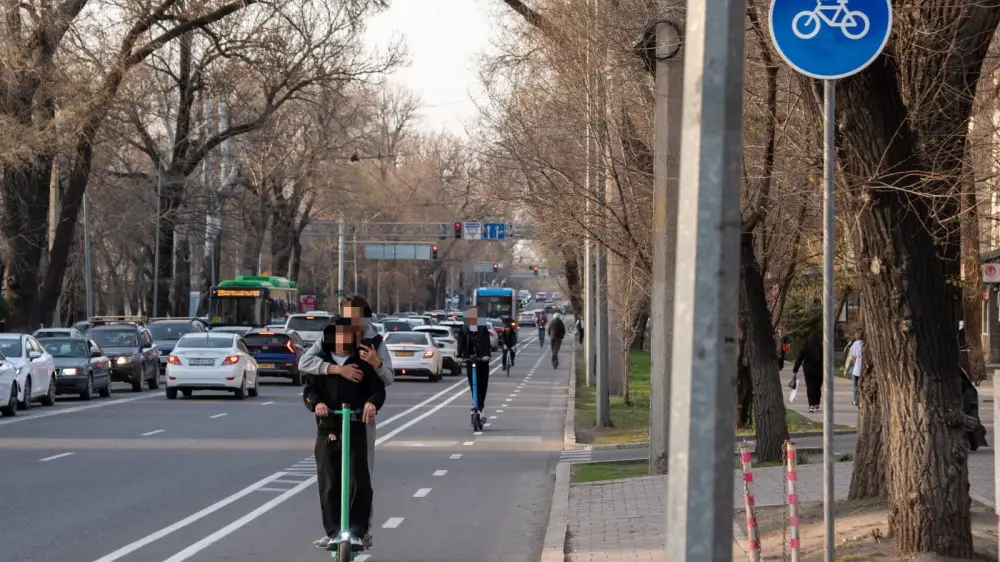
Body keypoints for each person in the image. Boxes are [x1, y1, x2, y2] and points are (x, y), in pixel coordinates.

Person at [300, 295, 391, 550]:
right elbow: (306, 370)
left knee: (360, 478)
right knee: (330, 479)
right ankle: (334, 531)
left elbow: (383, 382)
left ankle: (361, 531)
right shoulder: (326, 343)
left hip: (359, 421)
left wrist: (375, 365)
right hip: (329, 425)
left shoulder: (373, 343)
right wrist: (335, 372)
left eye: (356, 315)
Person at [457, 307, 491, 416]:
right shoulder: (464, 329)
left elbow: (486, 342)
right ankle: (476, 404)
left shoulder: (483, 328)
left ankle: (480, 406)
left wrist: (486, 355)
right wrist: (459, 356)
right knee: (473, 383)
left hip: (482, 360)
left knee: (482, 384)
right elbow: (461, 342)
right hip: (470, 359)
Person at [792, 328, 824, 412]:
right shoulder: (820, 346)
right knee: (817, 387)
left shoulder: (806, 345)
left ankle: (811, 405)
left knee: (810, 387)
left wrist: (795, 368)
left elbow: (800, 357)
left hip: (808, 369)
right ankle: (817, 402)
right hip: (819, 370)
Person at [843, 328, 863, 406]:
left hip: (857, 368)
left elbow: (853, 357)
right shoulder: (864, 343)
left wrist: (853, 365)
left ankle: (855, 400)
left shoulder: (855, 344)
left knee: (854, 385)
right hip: (864, 368)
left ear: (856, 335)